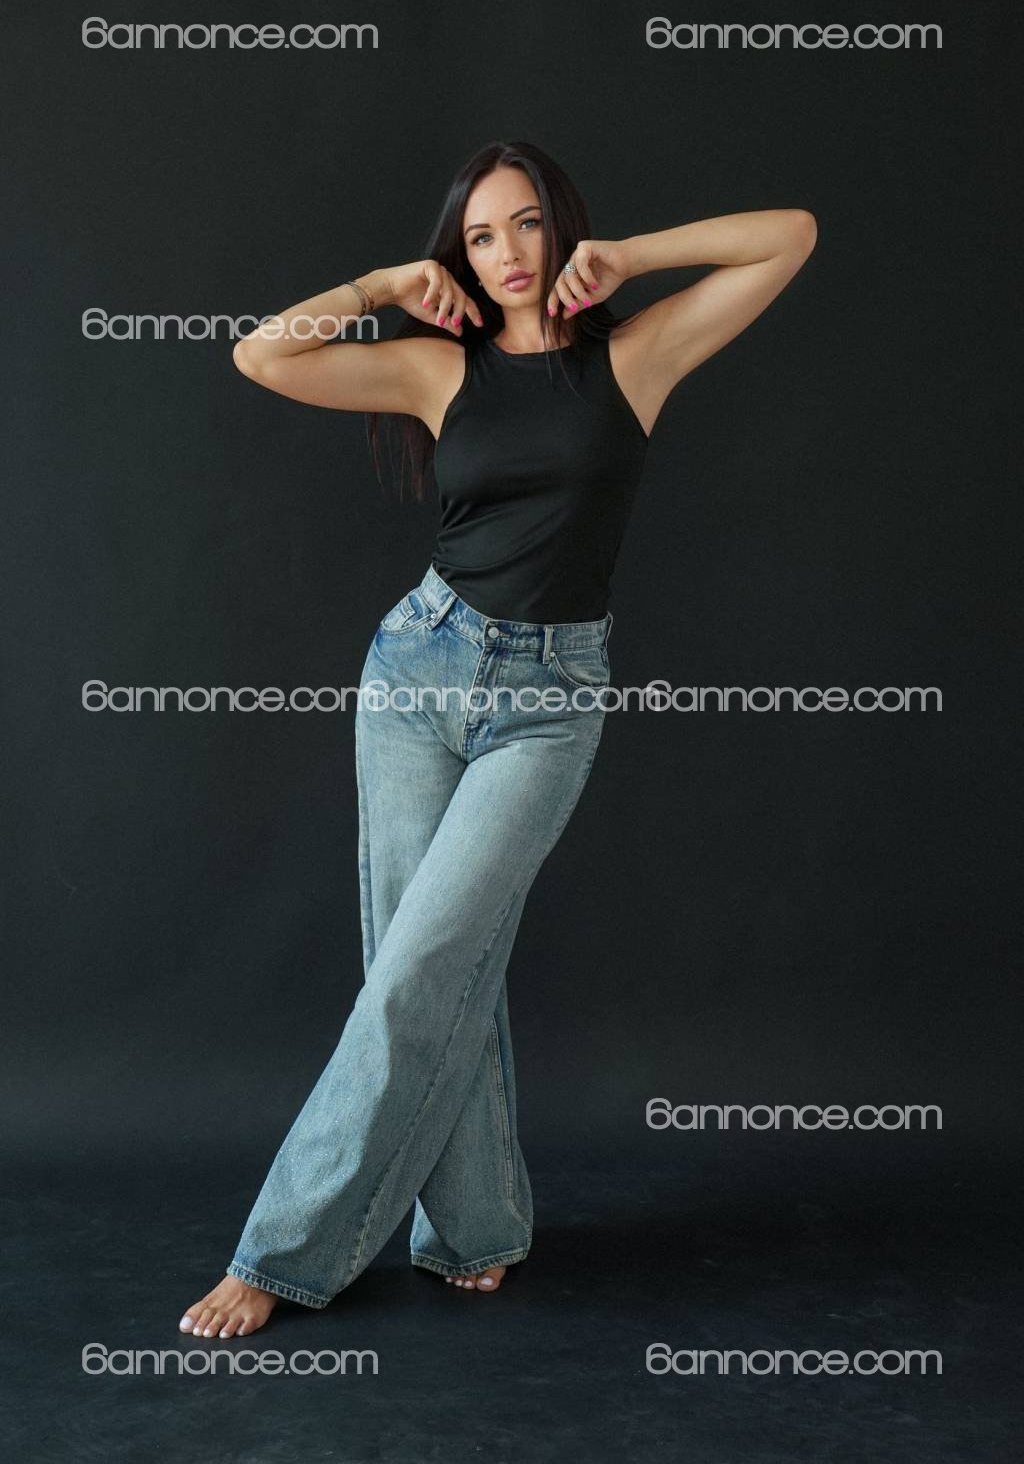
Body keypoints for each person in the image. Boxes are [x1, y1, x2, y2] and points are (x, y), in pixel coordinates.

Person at [178, 139, 817, 1339]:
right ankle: (474, 1225)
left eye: (525, 224)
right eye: (479, 236)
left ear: (560, 228)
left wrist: (629, 256)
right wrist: (382, 284)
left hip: (550, 698)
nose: (507, 252)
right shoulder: (438, 368)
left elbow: (788, 233)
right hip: (415, 669)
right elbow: (262, 353)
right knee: (425, 964)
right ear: (460, 256)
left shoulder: (633, 356)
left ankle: (279, 1250)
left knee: (427, 963)